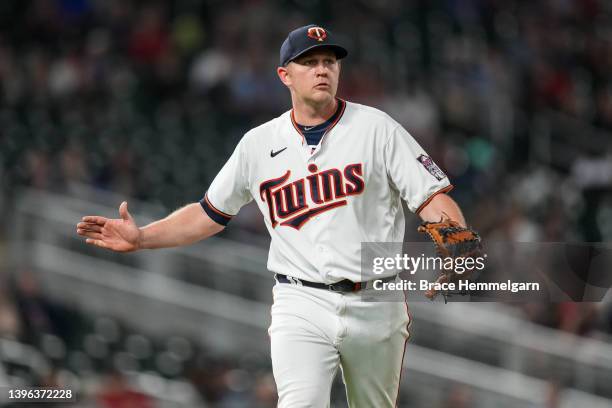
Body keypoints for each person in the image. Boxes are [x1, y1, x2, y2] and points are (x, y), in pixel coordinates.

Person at [77, 24, 467, 407]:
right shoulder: (258, 144)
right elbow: (208, 213)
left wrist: (458, 243)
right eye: (309, 61)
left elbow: (432, 196)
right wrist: (143, 237)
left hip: (377, 300)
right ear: (285, 75)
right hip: (301, 299)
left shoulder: (377, 128)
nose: (322, 69)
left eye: (330, 61)